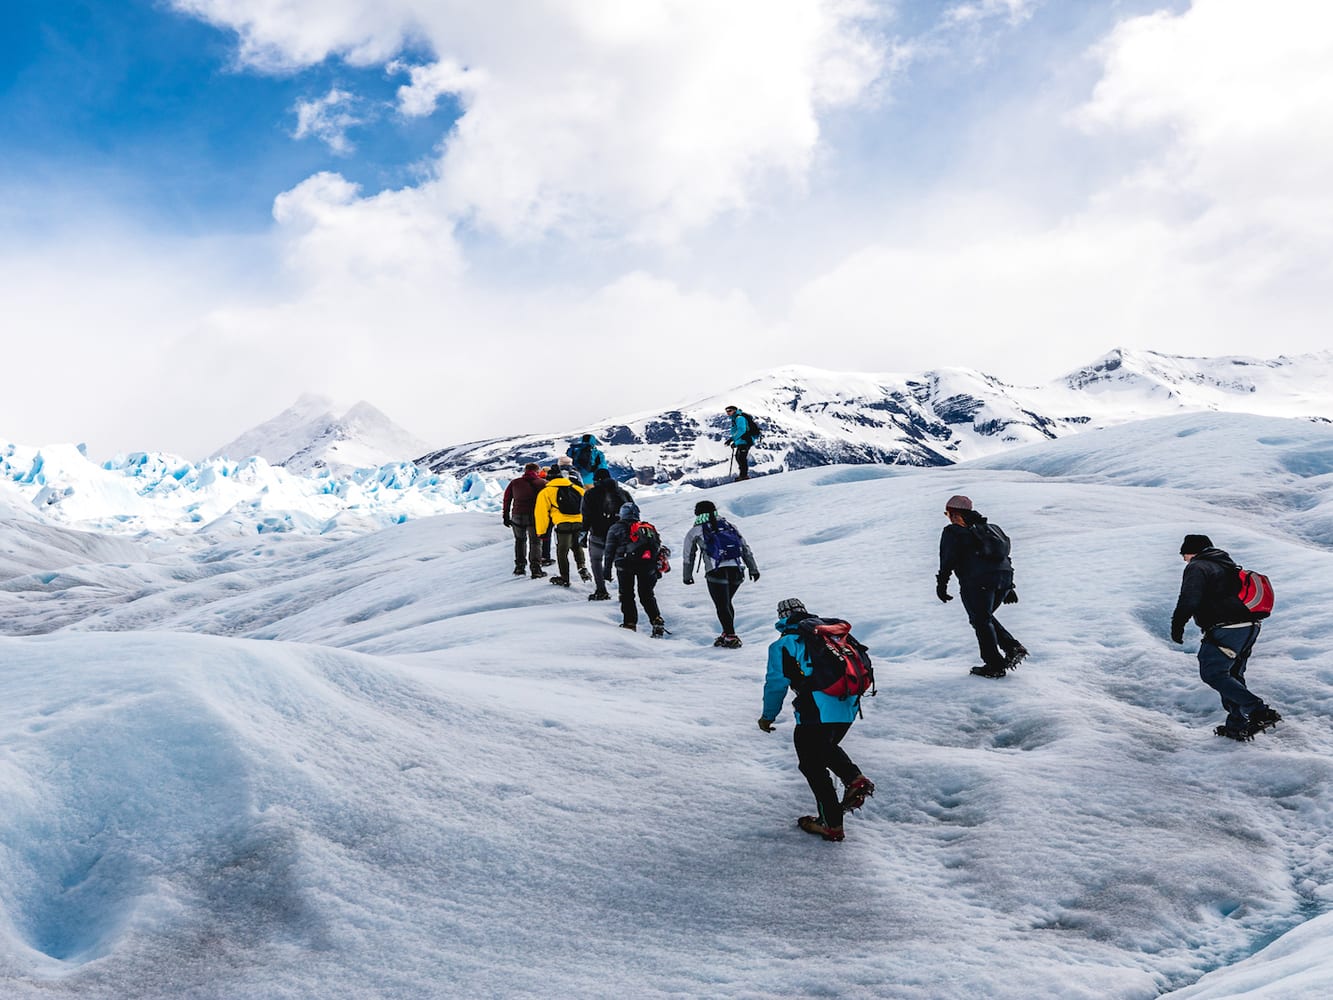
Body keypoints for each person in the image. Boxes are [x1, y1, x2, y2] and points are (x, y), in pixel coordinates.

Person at [758, 598, 874, 842]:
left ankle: (832, 822)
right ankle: (853, 779)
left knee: (812, 764)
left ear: (782, 617)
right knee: (824, 750)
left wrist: (767, 717)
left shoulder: (785, 644)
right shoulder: (831, 636)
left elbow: (776, 685)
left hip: (816, 710)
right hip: (848, 708)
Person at [1171, 534, 1282, 741]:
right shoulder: (1227, 565)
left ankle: (1258, 711)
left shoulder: (1198, 566)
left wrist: (1177, 625)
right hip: (1249, 627)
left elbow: (1189, 598)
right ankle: (1236, 727)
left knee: (1212, 672)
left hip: (1228, 628)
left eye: (1184, 555)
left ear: (1190, 551)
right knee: (1232, 675)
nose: (1184, 560)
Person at [936, 495, 1027, 678]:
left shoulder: (953, 532)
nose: (948, 517)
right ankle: (1012, 647)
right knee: (983, 618)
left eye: (948, 513)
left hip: (977, 583)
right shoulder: (992, 530)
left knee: (981, 621)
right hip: (1003, 580)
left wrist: (942, 585)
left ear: (954, 513)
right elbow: (1003, 556)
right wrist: (1009, 587)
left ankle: (994, 665)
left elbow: (947, 560)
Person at [682, 499, 760, 648]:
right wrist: (753, 568)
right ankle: (727, 633)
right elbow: (744, 548)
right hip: (737, 571)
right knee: (726, 603)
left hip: (716, 572)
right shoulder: (730, 526)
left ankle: (730, 636)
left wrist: (687, 576)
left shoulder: (695, 531)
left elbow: (688, 556)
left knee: (722, 605)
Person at [602, 501, 667, 637]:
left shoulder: (615, 528)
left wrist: (606, 571)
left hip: (624, 565)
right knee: (647, 594)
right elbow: (657, 547)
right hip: (647, 564)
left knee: (627, 594)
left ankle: (630, 623)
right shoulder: (647, 528)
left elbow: (609, 551)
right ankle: (656, 619)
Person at [534, 466, 591, 588]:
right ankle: (582, 567)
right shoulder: (577, 489)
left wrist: (541, 531)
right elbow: (587, 506)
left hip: (562, 524)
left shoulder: (546, 492)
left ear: (549, 479)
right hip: (579, 522)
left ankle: (564, 578)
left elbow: (541, 513)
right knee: (576, 546)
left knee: (562, 551)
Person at [581, 468, 633, 601]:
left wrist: (583, 535)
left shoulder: (590, 494)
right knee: (620, 563)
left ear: (596, 480)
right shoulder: (623, 493)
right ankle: (624, 593)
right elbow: (633, 513)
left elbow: (586, 516)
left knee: (596, 561)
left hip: (598, 534)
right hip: (619, 536)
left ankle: (601, 590)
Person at [502, 463, 547, 578]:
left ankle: (520, 567)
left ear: (525, 471)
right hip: (535, 516)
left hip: (517, 515)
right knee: (536, 542)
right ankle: (536, 569)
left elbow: (507, 499)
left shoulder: (515, 482)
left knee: (520, 540)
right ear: (537, 472)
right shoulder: (543, 483)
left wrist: (506, 516)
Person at [724, 405, 757, 481]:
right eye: (727, 411)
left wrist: (731, 439)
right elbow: (739, 433)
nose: (728, 413)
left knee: (741, 458)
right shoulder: (735, 419)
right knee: (739, 457)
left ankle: (744, 476)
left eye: (730, 410)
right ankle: (743, 475)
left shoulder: (739, 418)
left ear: (734, 410)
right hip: (742, 441)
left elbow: (742, 430)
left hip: (746, 441)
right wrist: (735, 443)